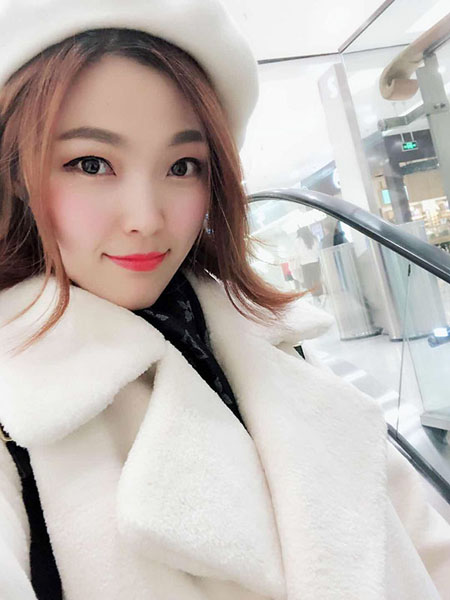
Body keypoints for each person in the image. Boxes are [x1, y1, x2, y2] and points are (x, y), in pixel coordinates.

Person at [0, 2, 449, 599]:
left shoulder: (271, 342)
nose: (146, 218)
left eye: (183, 166)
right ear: (17, 175)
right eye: (91, 163)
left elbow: (419, 546)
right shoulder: (17, 400)